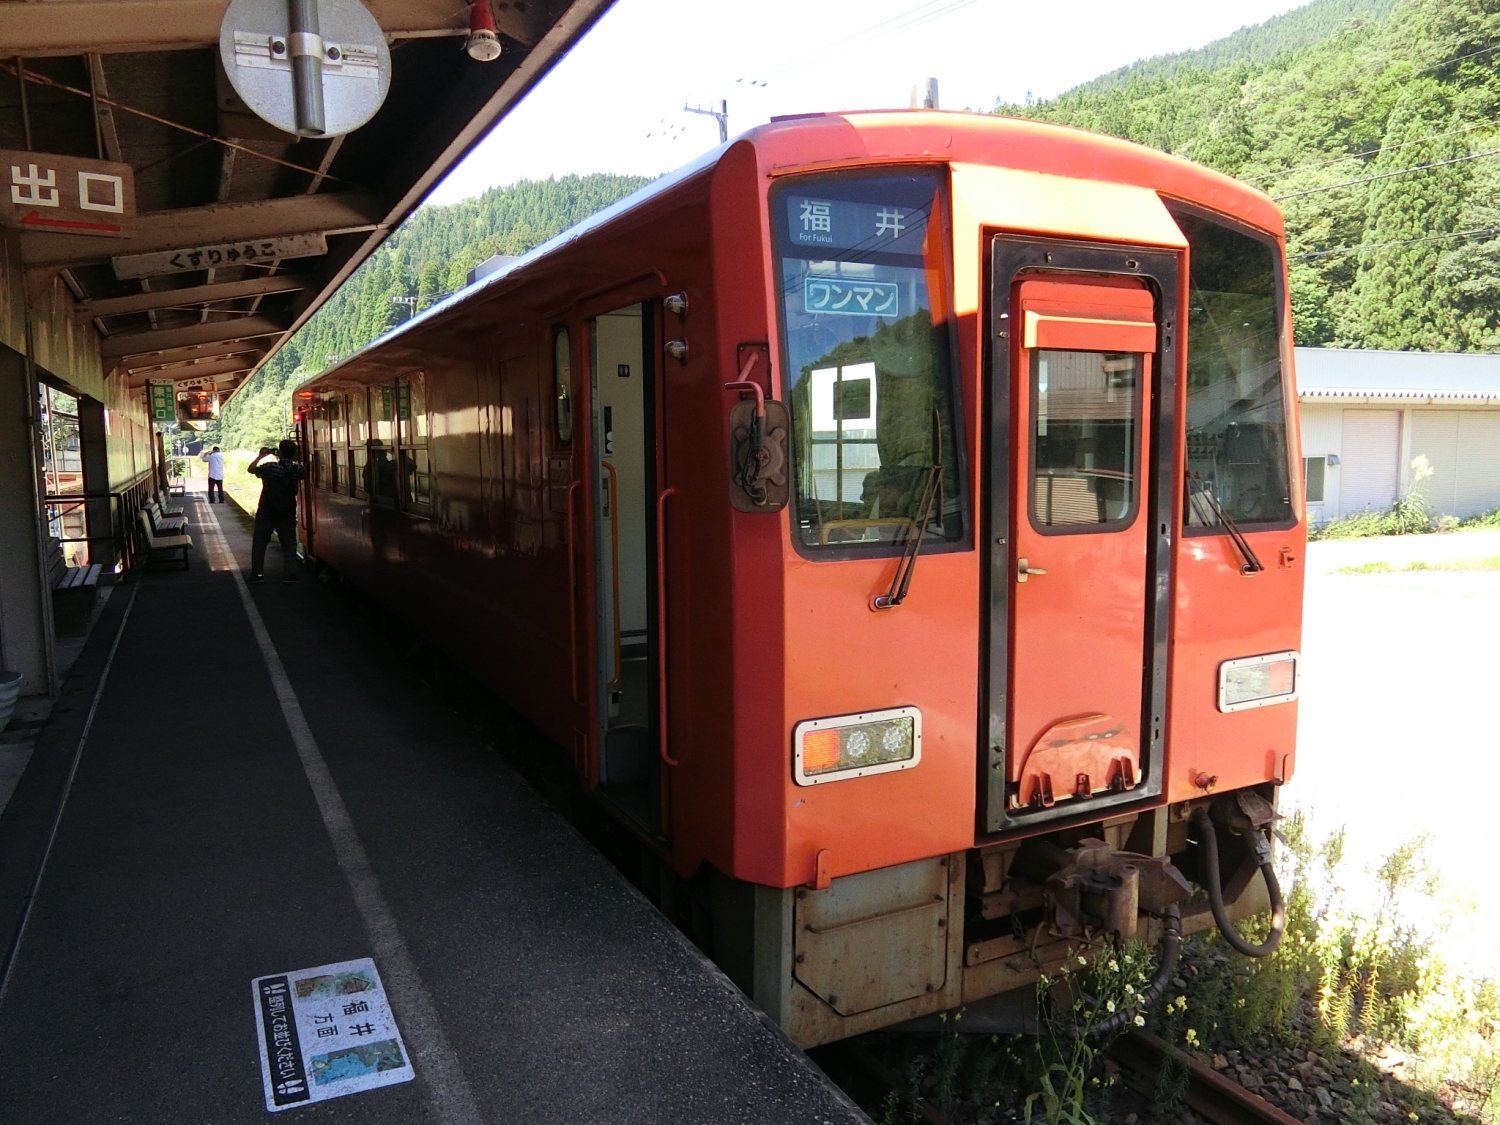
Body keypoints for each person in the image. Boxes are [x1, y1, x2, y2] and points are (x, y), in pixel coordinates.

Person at [247, 440, 306, 584]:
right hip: (287, 513)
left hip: (266, 512)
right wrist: (292, 457)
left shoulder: (270, 467)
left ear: (279, 452)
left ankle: (257, 574)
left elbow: (251, 469)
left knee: (260, 544)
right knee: (289, 544)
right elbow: (306, 472)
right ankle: (289, 574)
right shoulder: (298, 470)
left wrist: (261, 456)